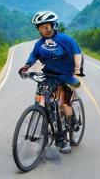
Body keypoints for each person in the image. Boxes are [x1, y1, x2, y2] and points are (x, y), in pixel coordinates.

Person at [18, 10, 84, 154]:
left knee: (61, 106)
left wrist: (77, 70)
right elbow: (34, 55)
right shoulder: (39, 44)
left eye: (46, 27)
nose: (43, 30)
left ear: (54, 25)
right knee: (43, 101)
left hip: (65, 76)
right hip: (49, 76)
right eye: (40, 27)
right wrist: (27, 66)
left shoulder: (66, 40)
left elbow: (77, 54)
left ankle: (64, 138)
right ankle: (44, 121)